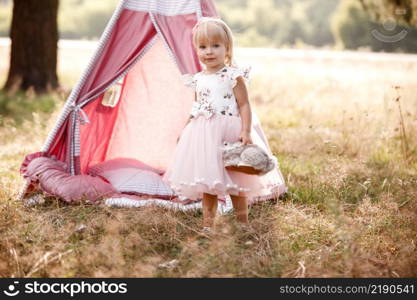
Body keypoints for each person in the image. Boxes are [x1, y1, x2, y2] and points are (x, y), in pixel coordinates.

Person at [163, 17, 283, 231]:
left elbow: (244, 104)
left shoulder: (233, 76)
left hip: (230, 132)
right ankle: (208, 225)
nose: (209, 51)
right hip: (203, 134)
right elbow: (197, 106)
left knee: (236, 183)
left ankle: (242, 223)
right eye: (203, 47)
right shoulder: (197, 79)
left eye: (215, 46)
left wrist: (245, 131)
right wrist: (186, 128)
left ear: (227, 48)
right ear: (196, 50)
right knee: (207, 182)